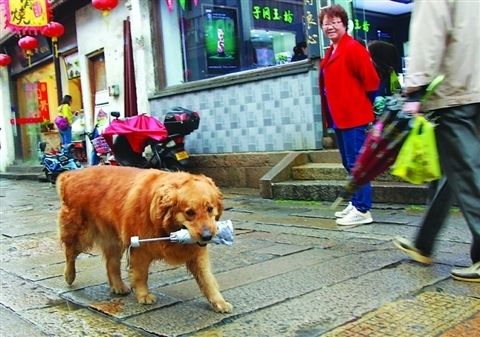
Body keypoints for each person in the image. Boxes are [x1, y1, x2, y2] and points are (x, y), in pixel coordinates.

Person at [393, 0, 480, 282]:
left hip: (457, 91)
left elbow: (429, 32)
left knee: (465, 173)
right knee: (456, 171)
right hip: (473, 86)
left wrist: (415, 86)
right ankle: (424, 242)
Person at [318, 4, 380, 226]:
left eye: (335, 22)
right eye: (326, 23)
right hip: (339, 118)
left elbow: (372, 82)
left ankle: (363, 210)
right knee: (348, 162)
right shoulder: (331, 51)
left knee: (357, 164)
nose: (331, 26)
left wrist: (362, 107)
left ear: (344, 24)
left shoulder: (353, 48)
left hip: (354, 117)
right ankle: (356, 203)